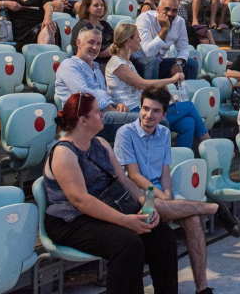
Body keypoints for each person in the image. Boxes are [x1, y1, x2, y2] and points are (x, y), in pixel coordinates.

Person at [42, 92, 180, 294]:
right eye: (97, 112)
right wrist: (125, 221)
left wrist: (146, 206)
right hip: (71, 221)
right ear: (83, 121)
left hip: (104, 210)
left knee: (162, 236)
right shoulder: (64, 152)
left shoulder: (101, 143)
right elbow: (81, 201)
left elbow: (123, 180)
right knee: (127, 244)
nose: (103, 114)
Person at [115, 87, 240, 294]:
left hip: (161, 191)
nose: (149, 115)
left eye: (156, 111)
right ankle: (212, 208)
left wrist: (168, 194)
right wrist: (162, 197)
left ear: (164, 114)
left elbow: (165, 170)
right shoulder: (125, 133)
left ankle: (202, 288)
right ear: (139, 108)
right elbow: (135, 176)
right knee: (157, 205)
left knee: (192, 220)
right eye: (145, 109)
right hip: (136, 194)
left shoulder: (164, 132)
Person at [104, 22, 208, 151]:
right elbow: (142, 84)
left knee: (188, 124)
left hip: (141, 106)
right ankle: (208, 143)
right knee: (189, 106)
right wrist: (171, 80)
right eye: (137, 37)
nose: (140, 40)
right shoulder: (116, 62)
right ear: (129, 41)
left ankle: (181, 158)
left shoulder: (127, 62)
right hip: (133, 111)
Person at [55, 28, 139, 141]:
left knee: (152, 120)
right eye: (91, 42)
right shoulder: (69, 65)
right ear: (78, 43)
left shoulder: (96, 69)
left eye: (98, 44)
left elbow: (103, 94)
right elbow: (83, 94)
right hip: (84, 121)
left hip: (102, 116)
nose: (95, 47)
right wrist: (109, 108)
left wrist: (116, 104)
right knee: (151, 123)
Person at [135, 0, 198, 81]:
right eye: (167, 9)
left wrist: (178, 63)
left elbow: (184, 49)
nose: (170, 13)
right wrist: (165, 28)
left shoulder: (180, 22)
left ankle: (183, 93)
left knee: (192, 65)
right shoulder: (145, 18)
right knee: (152, 61)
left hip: (159, 62)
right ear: (158, 9)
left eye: (174, 10)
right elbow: (149, 53)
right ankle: (151, 93)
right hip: (139, 62)